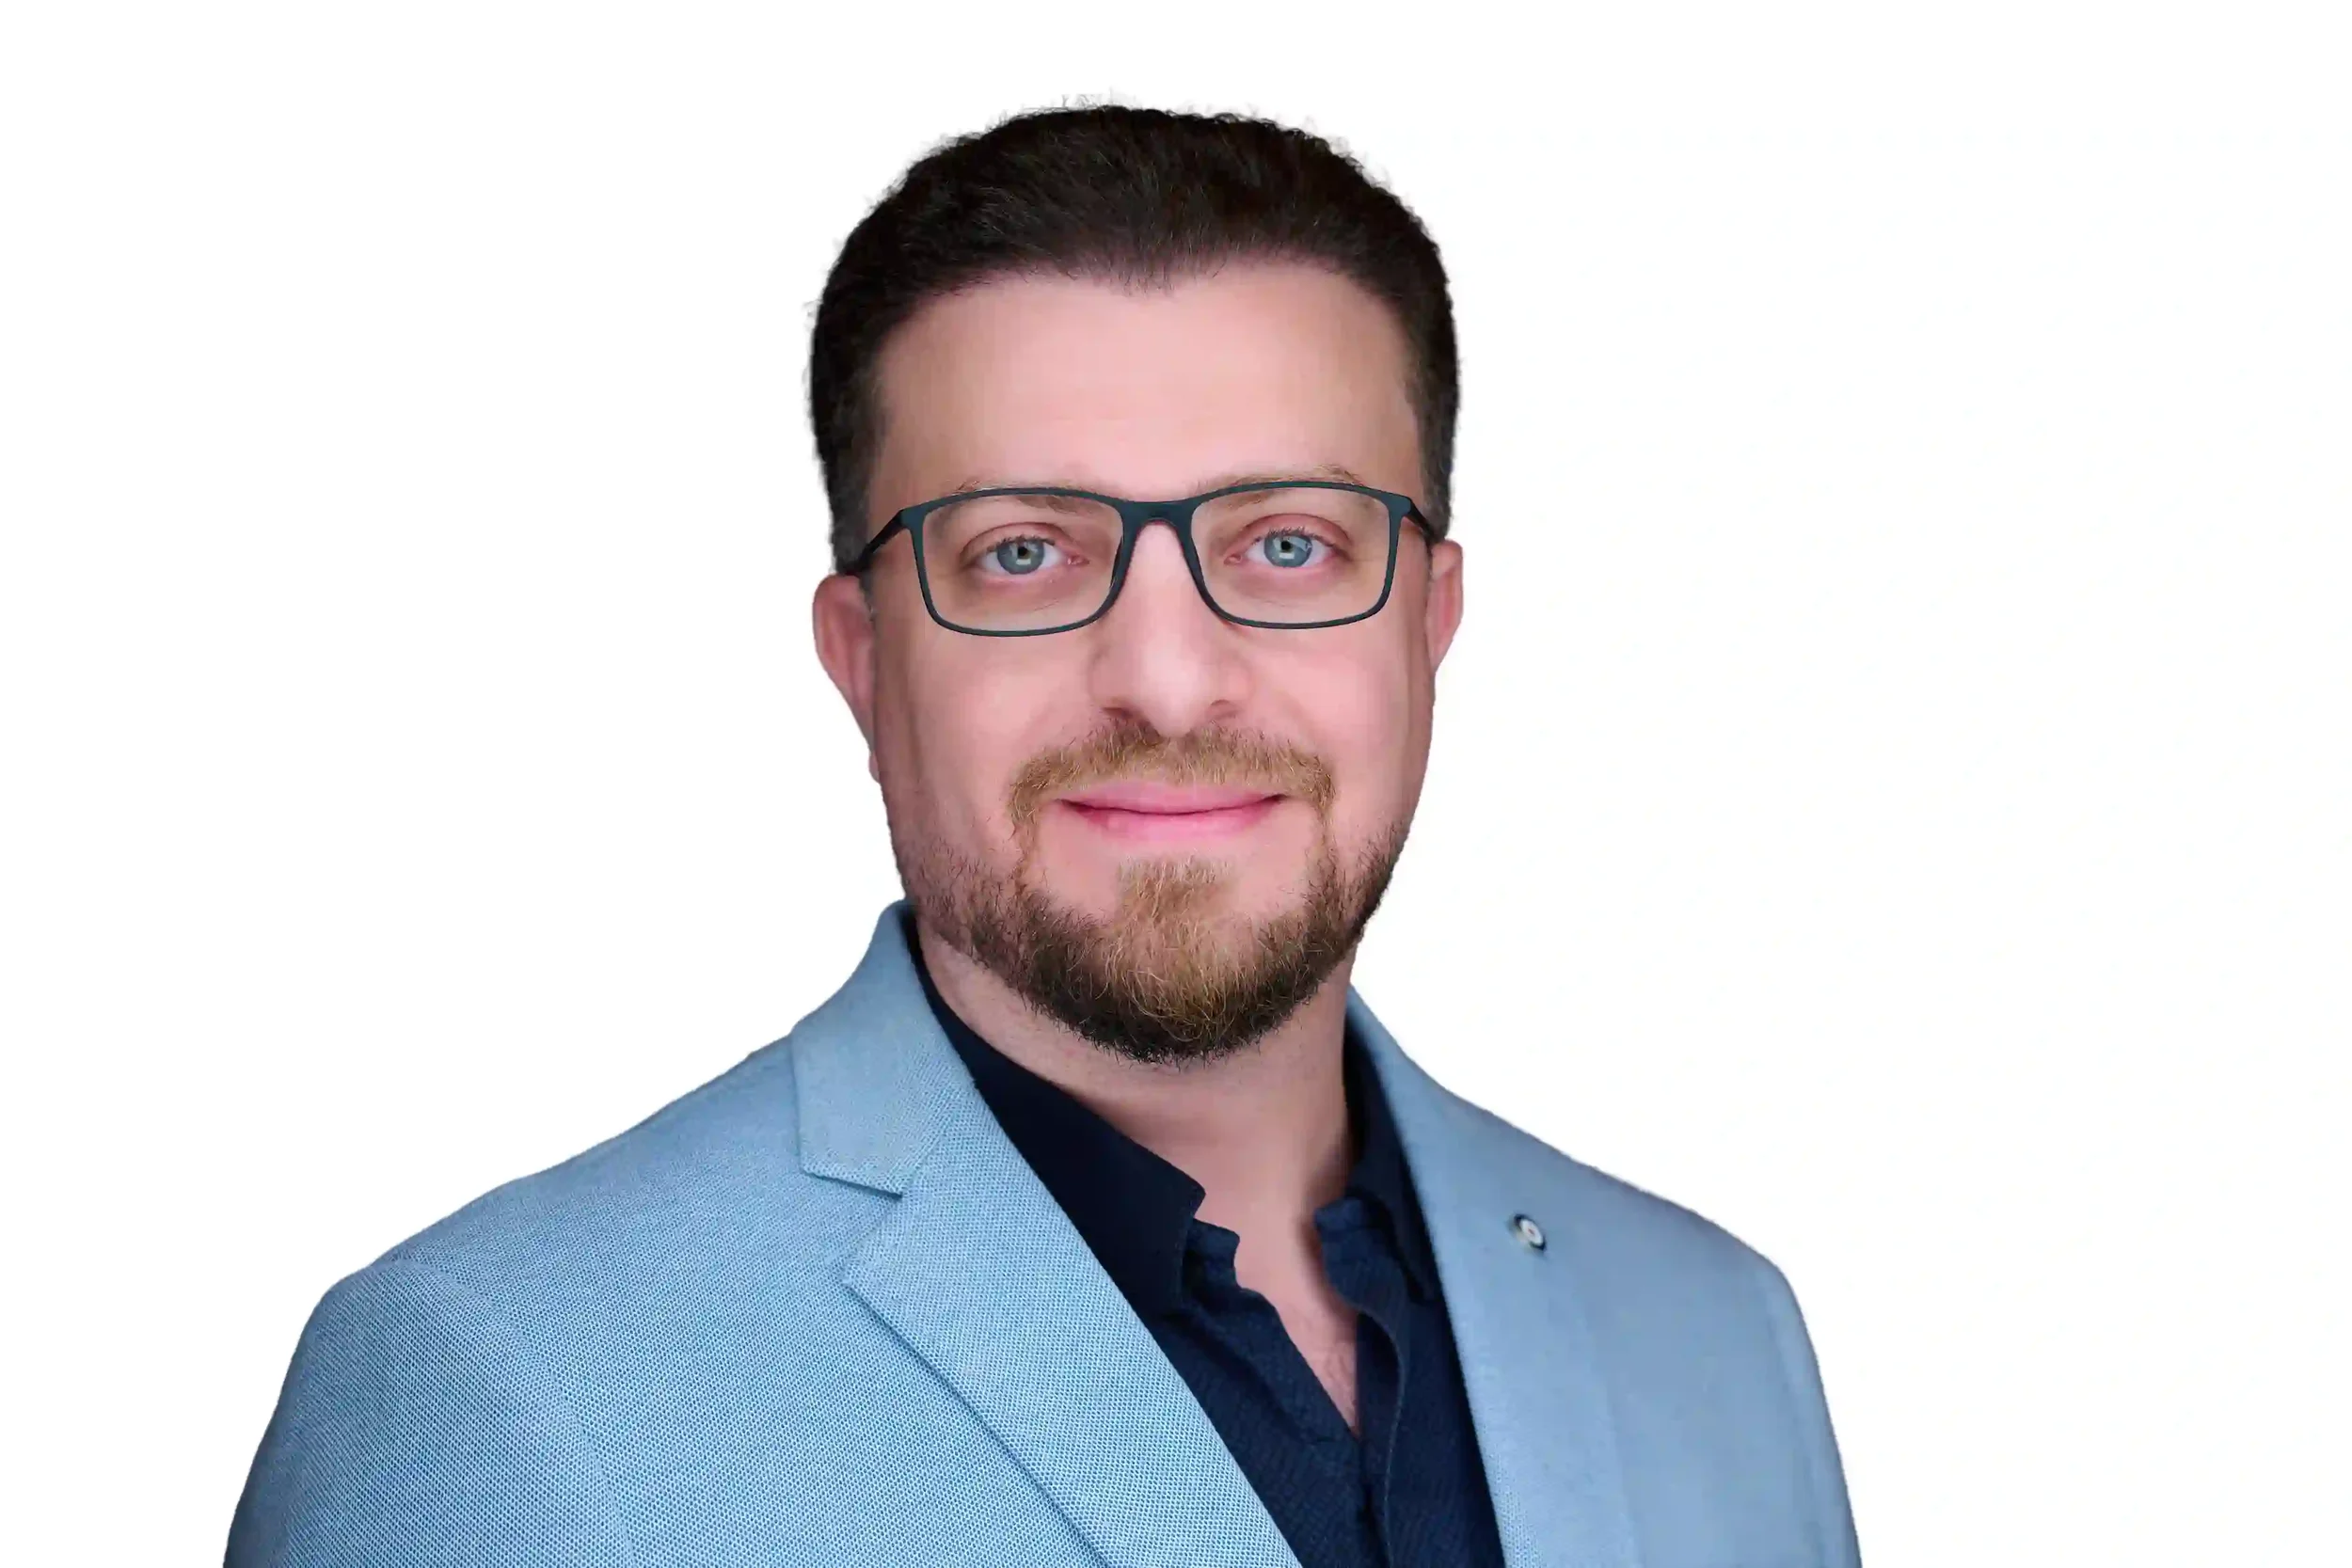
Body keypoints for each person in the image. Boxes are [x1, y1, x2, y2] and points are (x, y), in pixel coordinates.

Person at [229, 105, 1860, 1568]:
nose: (1164, 679)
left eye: (1287, 541)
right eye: (1023, 554)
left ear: (1428, 624)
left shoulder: (1716, 1337)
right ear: (864, 659)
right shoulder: (498, 1389)